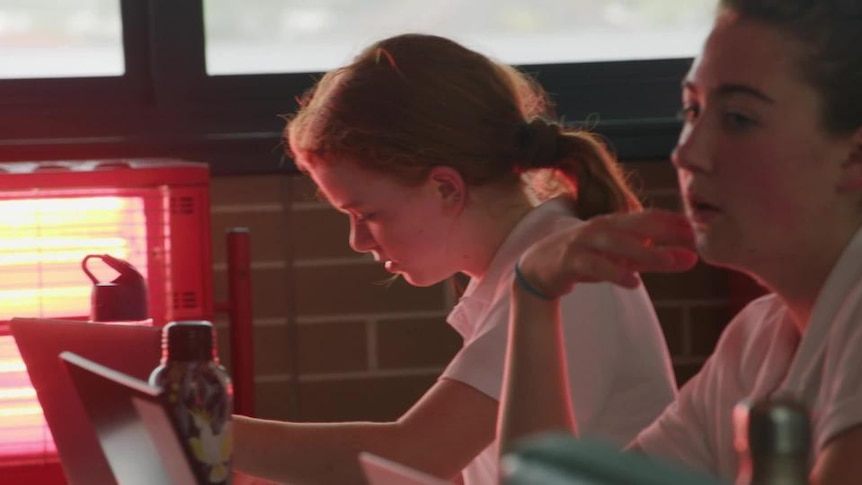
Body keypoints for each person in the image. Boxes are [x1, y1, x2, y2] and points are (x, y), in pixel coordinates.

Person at [232, 33, 681, 484]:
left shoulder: (564, 274)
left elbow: (415, 452)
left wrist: (208, 431)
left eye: (368, 214)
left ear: (446, 188)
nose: (358, 240)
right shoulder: (517, 267)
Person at [500, 0, 862, 483]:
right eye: (692, 110)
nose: (686, 152)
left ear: (854, 156)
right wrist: (533, 290)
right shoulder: (754, 342)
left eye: (738, 119)